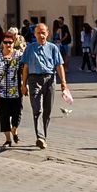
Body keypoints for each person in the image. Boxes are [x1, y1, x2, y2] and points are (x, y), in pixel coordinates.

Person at [20, 21, 70, 149]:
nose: (41, 35)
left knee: (47, 111)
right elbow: (25, 67)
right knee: (37, 109)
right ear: (35, 34)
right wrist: (23, 84)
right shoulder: (30, 48)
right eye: (38, 33)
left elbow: (59, 66)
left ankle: (43, 136)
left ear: (47, 34)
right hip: (34, 79)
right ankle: (40, 137)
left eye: (43, 33)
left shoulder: (53, 48)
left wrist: (63, 83)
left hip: (49, 80)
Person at [0, 30, 26, 149]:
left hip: (16, 92)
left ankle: (14, 129)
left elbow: (24, 71)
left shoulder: (19, 55)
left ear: (14, 43)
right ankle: (8, 139)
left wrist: (24, 84)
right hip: (1, 92)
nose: (8, 45)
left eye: (10, 43)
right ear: (2, 43)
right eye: (6, 42)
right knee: (4, 116)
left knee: (17, 114)